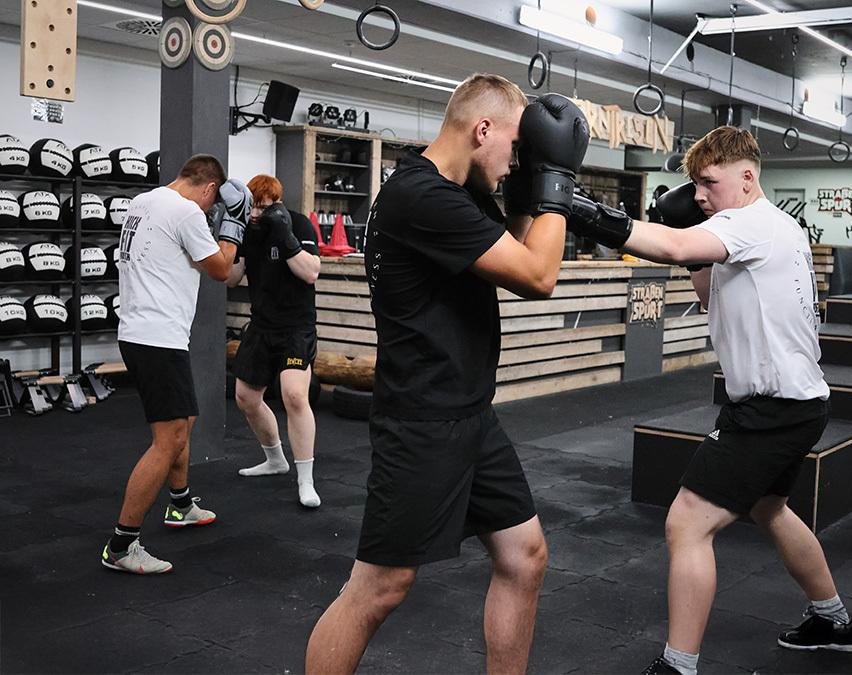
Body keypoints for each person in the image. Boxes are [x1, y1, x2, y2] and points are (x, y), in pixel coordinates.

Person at [305, 74, 589, 674]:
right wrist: (558, 183)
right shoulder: (422, 197)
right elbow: (537, 275)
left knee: (524, 556)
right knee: (378, 590)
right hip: (424, 422)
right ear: (481, 129)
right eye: (514, 146)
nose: (515, 161)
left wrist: (531, 187)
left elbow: (511, 243)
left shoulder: (458, 192)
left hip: (469, 415)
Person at [563, 126, 852, 674]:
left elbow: (675, 245)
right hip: (795, 401)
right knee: (770, 507)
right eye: (695, 185)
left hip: (773, 408)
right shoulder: (778, 227)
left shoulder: (747, 222)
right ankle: (835, 620)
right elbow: (708, 290)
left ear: (747, 177)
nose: (699, 195)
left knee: (686, 524)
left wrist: (584, 210)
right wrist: (688, 234)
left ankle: (679, 666)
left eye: (709, 182)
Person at [101, 155, 251, 574]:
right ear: (208, 189)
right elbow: (221, 269)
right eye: (211, 203)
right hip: (157, 337)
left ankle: (181, 505)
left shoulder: (143, 201)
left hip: (141, 331)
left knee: (184, 420)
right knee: (167, 440)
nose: (209, 210)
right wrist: (233, 224)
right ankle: (121, 544)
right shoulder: (186, 210)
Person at [226, 174, 322, 508]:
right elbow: (232, 278)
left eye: (262, 207)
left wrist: (286, 238)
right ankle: (275, 459)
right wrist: (228, 238)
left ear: (275, 203)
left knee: (294, 395)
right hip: (262, 325)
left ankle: (305, 480)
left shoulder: (297, 224)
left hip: (296, 326)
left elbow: (311, 272)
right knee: (246, 397)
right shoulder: (247, 231)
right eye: (251, 207)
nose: (256, 214)